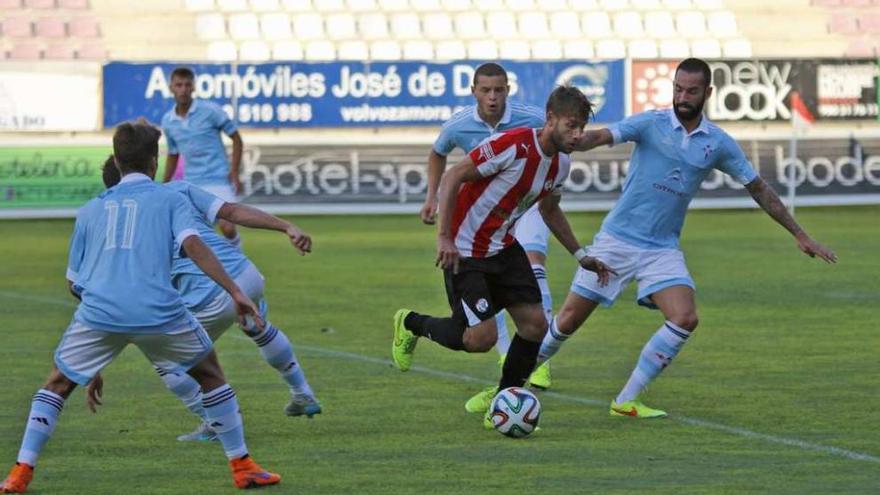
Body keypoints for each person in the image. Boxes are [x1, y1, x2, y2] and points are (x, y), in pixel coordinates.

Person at [533, 58, 838, 418]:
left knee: (685, 317)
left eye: (691, 91)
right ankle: (515, 377)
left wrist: (800, 235)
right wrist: (567, 140)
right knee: (567, 320)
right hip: (617, 240)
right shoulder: (651, 123)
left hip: (662, 249)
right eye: (678, 88)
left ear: (707, 93)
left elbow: (758, 188)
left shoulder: (718, 143)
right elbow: (601, 136)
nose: (682, 96)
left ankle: (626, 400)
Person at [0, 121, 280, 493]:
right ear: (154, 161)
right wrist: (235, 291)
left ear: (116, 159)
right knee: (209, 373)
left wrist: (94, 355)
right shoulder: (170, 199)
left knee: (57, 383)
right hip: (158, 311)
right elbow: (194, 245)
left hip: (99, 313)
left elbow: (74, 283)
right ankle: (242, 465)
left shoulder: (89, 211)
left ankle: (20, 473)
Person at [392, 86, 614, 428]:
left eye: (581, 128)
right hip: (466, 251)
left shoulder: (561, 164)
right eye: (571, 125)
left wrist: (581, 255)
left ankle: (503, 401)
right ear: (550, 119)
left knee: (535, 325)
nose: (577, 135)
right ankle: (411, 323)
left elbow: (550, 210)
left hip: (505, 248)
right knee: (480, 339)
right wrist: (445, 237)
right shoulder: (513, 146)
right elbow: (453, 176)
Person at [94, 156, 321, 443]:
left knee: (165, 358)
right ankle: (302, 393)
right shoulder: (179, 189)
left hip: (211, 290)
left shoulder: (122, 222)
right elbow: (232, 211)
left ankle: (215, 422)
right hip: (245, 274)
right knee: (255, 324)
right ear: (150, 168)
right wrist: (287, 226)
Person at [420, 62, 554, 394]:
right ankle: (506, 354)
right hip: (479, 214)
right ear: (474, 92)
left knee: (535, 267)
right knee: (483, 324)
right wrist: (431, 197)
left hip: (523, 206)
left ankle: (537, 361)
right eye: (485, 90)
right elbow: (438, 154)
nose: (493, 97)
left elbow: (554, 144)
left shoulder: (533, 119)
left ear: (508, 90)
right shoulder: (459, 125)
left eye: (499, 90)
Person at [161, 66, 244, 248]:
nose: (183, 89)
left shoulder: (211, 111)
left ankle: (238, 258)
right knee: (194, 235)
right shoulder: (168, 121)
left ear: (193, 87)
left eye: (187, 85)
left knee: (227, 226)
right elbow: (173, 154)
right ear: (171, 88)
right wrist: (164, 184)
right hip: (193, 183)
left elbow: (236, 139)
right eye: (179, 85)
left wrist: (234, 172)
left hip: (219, 179)